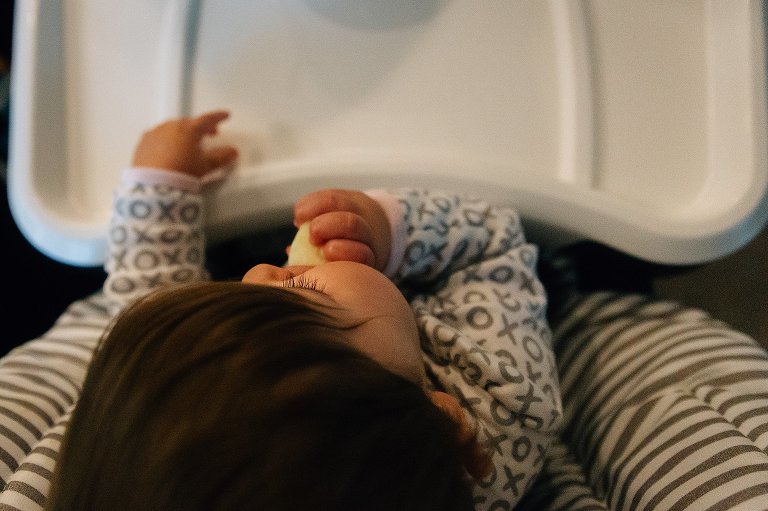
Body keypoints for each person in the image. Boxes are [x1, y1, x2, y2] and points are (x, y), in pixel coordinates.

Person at [0, 111, 562, 510]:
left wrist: (159, 189)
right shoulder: (503, 408)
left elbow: (150, 305)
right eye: (307, 292)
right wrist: (391, 229)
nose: (258, 273)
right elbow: (496, 246)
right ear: (439, 411)